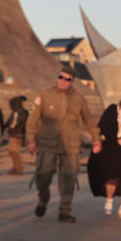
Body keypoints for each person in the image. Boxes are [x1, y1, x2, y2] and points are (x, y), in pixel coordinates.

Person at [26, 65, 101, 222]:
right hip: (47, 142)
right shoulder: (45, 95)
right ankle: (43, 198)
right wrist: (31, 140)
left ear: (73, 82)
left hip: (70, 144)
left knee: (68, 178)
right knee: (43, 175)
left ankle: (65, 210)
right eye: (61, 77)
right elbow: (33, 119)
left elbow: (88, 120)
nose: (63, 81)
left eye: (67, 79)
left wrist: (96, 139)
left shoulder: (79, 98)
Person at [4, 96, 29, 175]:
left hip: (15, 134)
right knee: (14, 152)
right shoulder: (24, 111)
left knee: (14, 152)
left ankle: (18, 169)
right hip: (21, 134)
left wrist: (9, 129)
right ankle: (16, 168)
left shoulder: (17, 112)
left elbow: (14, 123)